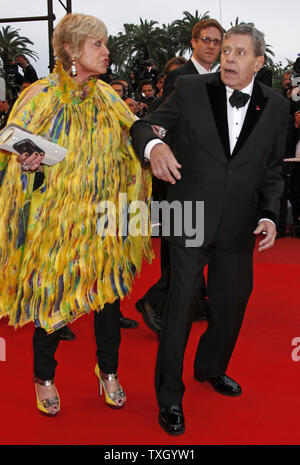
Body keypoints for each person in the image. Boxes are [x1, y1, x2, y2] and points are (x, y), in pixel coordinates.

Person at [130, 25, 289, 435]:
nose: (229, 59)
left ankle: (210, 367)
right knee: (181, 304)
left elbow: (272, 170)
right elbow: (143, 127)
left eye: (239, 53)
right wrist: (155, 147)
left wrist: (270, 215)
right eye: (226, 51)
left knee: (232, 303)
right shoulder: (190, 88)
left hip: (240, 223)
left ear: (259, 62)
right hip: (190, 215)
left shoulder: (275, 106)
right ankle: (169, 394)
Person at [0, 14, 152, 417]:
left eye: (105, 44)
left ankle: (109, 372)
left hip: (104, 220)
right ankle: (44, 379)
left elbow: (132, 135)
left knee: (108, 302)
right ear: (70, 50)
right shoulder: (40, 94)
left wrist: (152, 145)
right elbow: (11, 146)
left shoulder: (107, 95)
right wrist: (26, 163)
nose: (106, 51)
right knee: (50, 301)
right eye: (97, 44)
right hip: (56, 222)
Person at [136, 18, 224, 332]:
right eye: (206, 40)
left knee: (194, 243)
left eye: (217, 41)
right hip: (178, 174)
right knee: (181, 250)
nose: (212, 46)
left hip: (208, 176)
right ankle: (154, 302)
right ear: (193, 42)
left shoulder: (223, 78)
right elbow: (163, 120)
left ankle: (193, 301)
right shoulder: (181, 77)